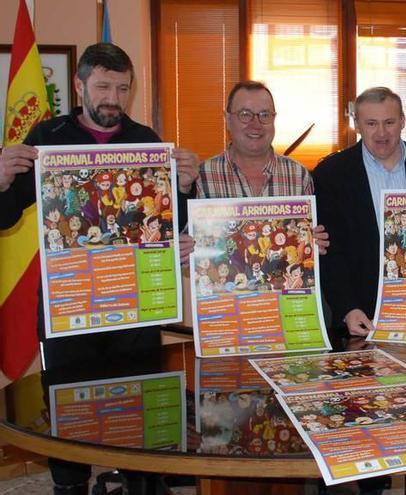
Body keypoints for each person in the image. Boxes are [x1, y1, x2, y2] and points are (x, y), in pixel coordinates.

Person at [0, 43, 199, 495]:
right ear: (79, 85)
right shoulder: (46, 138)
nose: (113, 97)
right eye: (103, 86)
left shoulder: (146, 140)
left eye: (122, 88)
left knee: (142, 416)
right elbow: (5, 215)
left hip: (137, 310)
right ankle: (69, 487)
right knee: (68, 418)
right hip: (69, 310)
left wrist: (184, 187)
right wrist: (3, 179)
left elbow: (171, 223)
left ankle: (143, 485)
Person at [313, 86, 406, 495]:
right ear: (357, 124)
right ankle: (372, 484)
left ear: (403, 121)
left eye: (389, 122)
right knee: (366, 408)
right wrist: (345, 308)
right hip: (361, 311)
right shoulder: (330, 172)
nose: (381, 133)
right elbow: (328, 251)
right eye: (370, 123)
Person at [176, 80, 329, 262]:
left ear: (274, 119)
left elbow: (307, 241)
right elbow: (181, 243)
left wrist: (314, 242)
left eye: (264, 115)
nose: (255, 124)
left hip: (281, 286)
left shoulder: (299, 176)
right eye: (245, 114)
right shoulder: (201, 176)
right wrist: (182, 248)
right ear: (227, 119)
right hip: (225, 287)